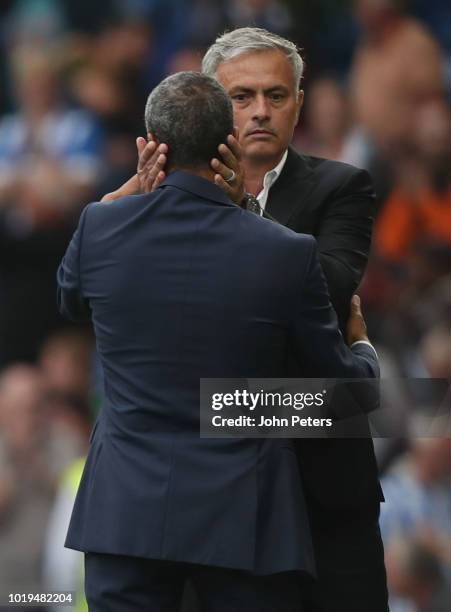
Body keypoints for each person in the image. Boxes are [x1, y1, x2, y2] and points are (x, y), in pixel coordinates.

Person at [57, 71, 378, 612]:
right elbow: (337, 402)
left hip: (124, 520)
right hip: (242, 526)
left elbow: (69, 297)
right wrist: (364, 353)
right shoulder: (284, 252)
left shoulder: (100, 227)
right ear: (227, 142)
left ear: (152, 146)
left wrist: (125, 193)